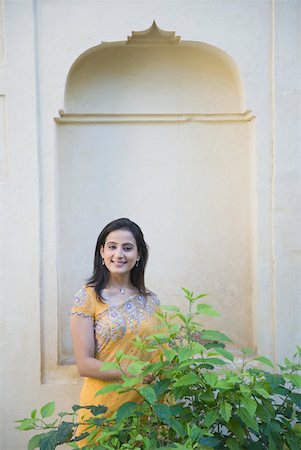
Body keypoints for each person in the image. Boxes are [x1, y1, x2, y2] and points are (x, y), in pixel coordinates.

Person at [70, 218, 161, 445]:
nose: (118, 254)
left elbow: (163, 353)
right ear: (102, 251)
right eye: (112, 246)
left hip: (143, 407)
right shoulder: (88, 297)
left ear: (138, 255)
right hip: (101, 408)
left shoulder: (150, 301)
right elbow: (84, 364)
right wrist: (134, 372)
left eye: (127, 248)